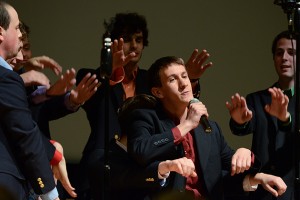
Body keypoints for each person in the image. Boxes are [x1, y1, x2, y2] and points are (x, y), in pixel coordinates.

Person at [76, 12, 213, 199]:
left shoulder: (150, 81)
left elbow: (176, 101)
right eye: (127, 39)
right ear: (114, 43)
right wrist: (110, 70)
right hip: (104, 166)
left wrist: (190, 79)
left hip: (142, 172)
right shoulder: (92, 76)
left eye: (139, 40)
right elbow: (90, 97)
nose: (134, 45)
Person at [126, 56, 287, 200]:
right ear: (158, 92)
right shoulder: (146, 117)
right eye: (172, 80)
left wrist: (247, 157)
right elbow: (141, 150)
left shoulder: (209, 129)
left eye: (185, 76)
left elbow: (224, 175)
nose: (184, 84)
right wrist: (186, 125)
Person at [226, 30, 297, 200]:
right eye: (279, 53)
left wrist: (285, 120)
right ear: (274, 59)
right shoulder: (258, 99)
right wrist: (239, 121)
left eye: (291, 52)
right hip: (264, 192)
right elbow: (241, 128)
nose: (284, 58)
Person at [0, 1, 60, 199]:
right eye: (16, 28)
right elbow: (26, 135)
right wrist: (51, 194)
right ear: (0, 33)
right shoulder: (6, 78)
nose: (19, 34)